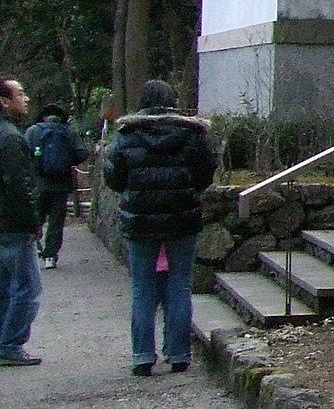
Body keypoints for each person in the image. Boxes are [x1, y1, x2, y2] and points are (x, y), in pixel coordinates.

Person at [102, 79, 217, 378]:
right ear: (173, 101)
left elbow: (114, 177)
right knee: (180, 283)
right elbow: (205, 173)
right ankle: (179, 354)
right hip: (182, 218)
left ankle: (142, 356)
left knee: (143, 287)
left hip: (140, 220)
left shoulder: (127, 136)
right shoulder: (191, 135)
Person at [0, 78, 43, 367]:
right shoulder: (11, 139)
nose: (25, 99)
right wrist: (32, 222)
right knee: (27, 287)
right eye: (20, 94)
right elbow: (19, 186)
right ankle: (11, 343)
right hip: (13, 224)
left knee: (5, 288)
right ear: (4, 101)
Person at [22, 102, 90, 270]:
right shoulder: (68, 132)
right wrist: (67, 161)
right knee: (56, 221)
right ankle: (50, 256)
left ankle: (33, 248)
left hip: (38, 184)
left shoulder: (33, 131)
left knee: (35, 217)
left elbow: (23, 152)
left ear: (43, 117)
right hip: (61, 185)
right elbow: (82, 153)